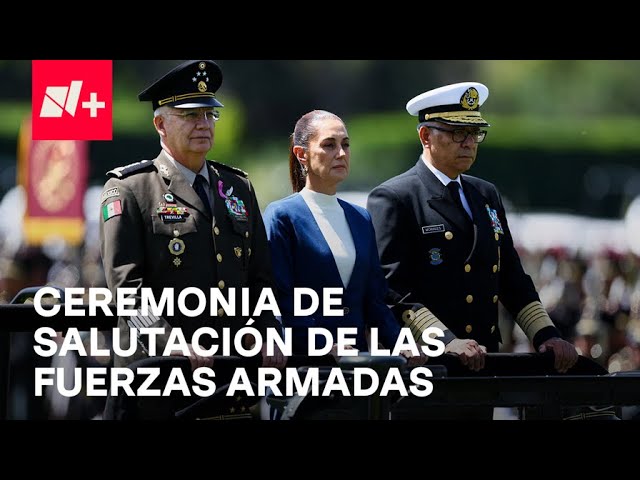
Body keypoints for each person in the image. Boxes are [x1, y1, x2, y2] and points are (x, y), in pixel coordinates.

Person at [99, 60, 286, 415]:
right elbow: (126, 290)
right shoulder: (130, 189)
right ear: (160, 124)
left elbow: (260, 278)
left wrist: (267, 330)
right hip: (157, 377)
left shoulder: (236, 187)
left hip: (227, 376)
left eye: (209, 115)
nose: (203, 124)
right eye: (189, 115)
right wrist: (171, 340)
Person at [366, 82, 578, 376]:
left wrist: (546, 335)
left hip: (485, 361)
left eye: (474, 133)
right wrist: (446, 341)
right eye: (457, 133)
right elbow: (393, 289)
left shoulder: (485, 193)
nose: (468, 142)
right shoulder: (395, 197)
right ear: (426, 136)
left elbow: (510, 276)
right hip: (428, 366)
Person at [263, 110, 425, 367]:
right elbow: (279, 297)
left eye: (345, 145)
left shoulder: (360, 218)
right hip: (305, 368)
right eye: (329, 145)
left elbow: (374, 298)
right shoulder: (282, 215)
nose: (341, 153)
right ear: (301, 154)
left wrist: (400, 342)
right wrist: (322, 343)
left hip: (358, 368)